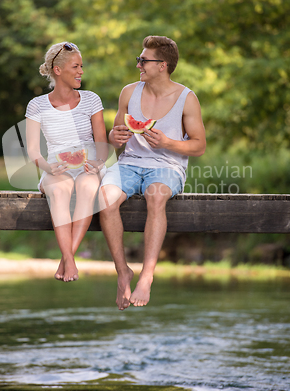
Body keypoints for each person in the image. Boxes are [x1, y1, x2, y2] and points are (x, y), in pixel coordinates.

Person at [100, 35, 206, 310]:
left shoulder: (187, 98)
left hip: (168, 167)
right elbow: (114, 138)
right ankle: (123, 271)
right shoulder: (128, 92)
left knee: (156, 196)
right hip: (130, 164)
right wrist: (115, 135)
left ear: (163, 65)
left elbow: (199, 146)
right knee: (106, 198)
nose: (138, 65)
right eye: (139, 59)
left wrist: (168, 143)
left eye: (143, 60)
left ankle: (147, 276)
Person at [25, 42, 108, 282]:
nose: (81, 71)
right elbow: (32, 150)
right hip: (54, 167)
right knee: (60, 191)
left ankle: (66, 258)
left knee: (87, 186)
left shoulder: (92, 100)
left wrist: (99, 162)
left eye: (82, 66)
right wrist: (48, 167)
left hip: (88, 166)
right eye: (76, 66)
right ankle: (70, 259)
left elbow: (101, 142)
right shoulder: (37, 105)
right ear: (58, 70)